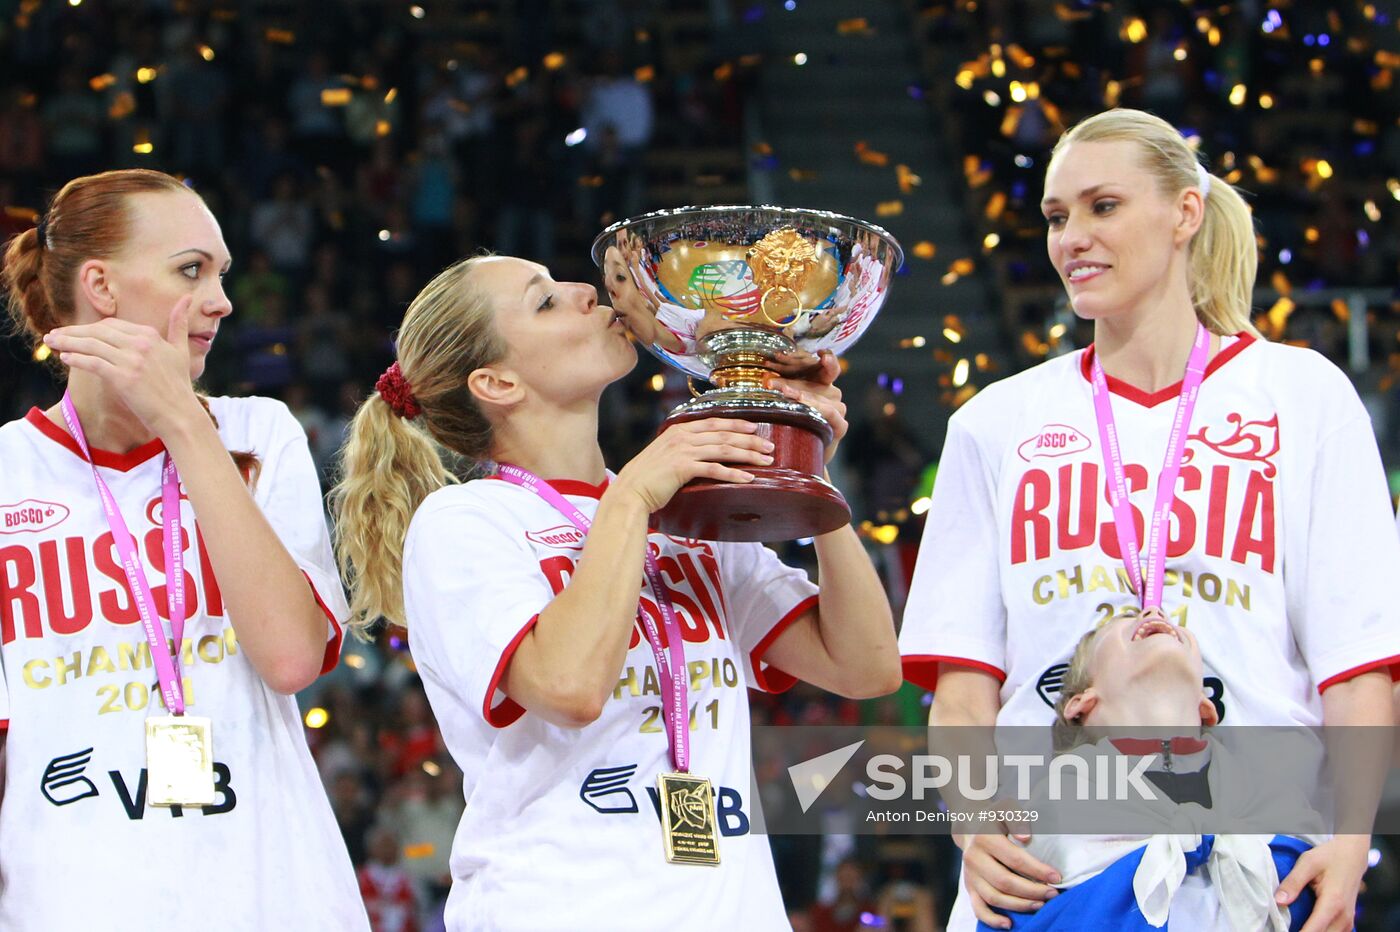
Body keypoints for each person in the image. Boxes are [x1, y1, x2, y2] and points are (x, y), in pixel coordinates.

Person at [898, 108, 1400, 931]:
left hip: (1256, 860)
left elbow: (1355, 667)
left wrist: (1350, 837)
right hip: (1047, 868)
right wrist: (970, 822)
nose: (1071, 239)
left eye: (1103, 207)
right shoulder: (994, 422)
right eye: (1058, 217)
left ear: (1185, 214)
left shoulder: (1305, 396)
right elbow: (964, 687)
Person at [332, 254, 902, 930]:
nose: (582, 289)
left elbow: (866, 664)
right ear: (497, 381)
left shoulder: (684, 517)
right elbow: (569, 687)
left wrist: (808, 470)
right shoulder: (466, 523)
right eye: (544, 301)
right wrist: (630, 495)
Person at [0, 169, 368, 929]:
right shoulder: (9, 472)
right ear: (100, 285)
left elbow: (290, 658)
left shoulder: (257, 434)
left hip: (269, 892)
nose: (222, 302)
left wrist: (184, 425)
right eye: (191, 270)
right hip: (70, 900)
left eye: (221, 274)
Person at [985, 612, 1322, 930]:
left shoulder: (1280, 807)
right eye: (1128, 621)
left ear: (1206, 709)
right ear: (1081, 702)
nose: (1153, 612)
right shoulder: (1038, 822)